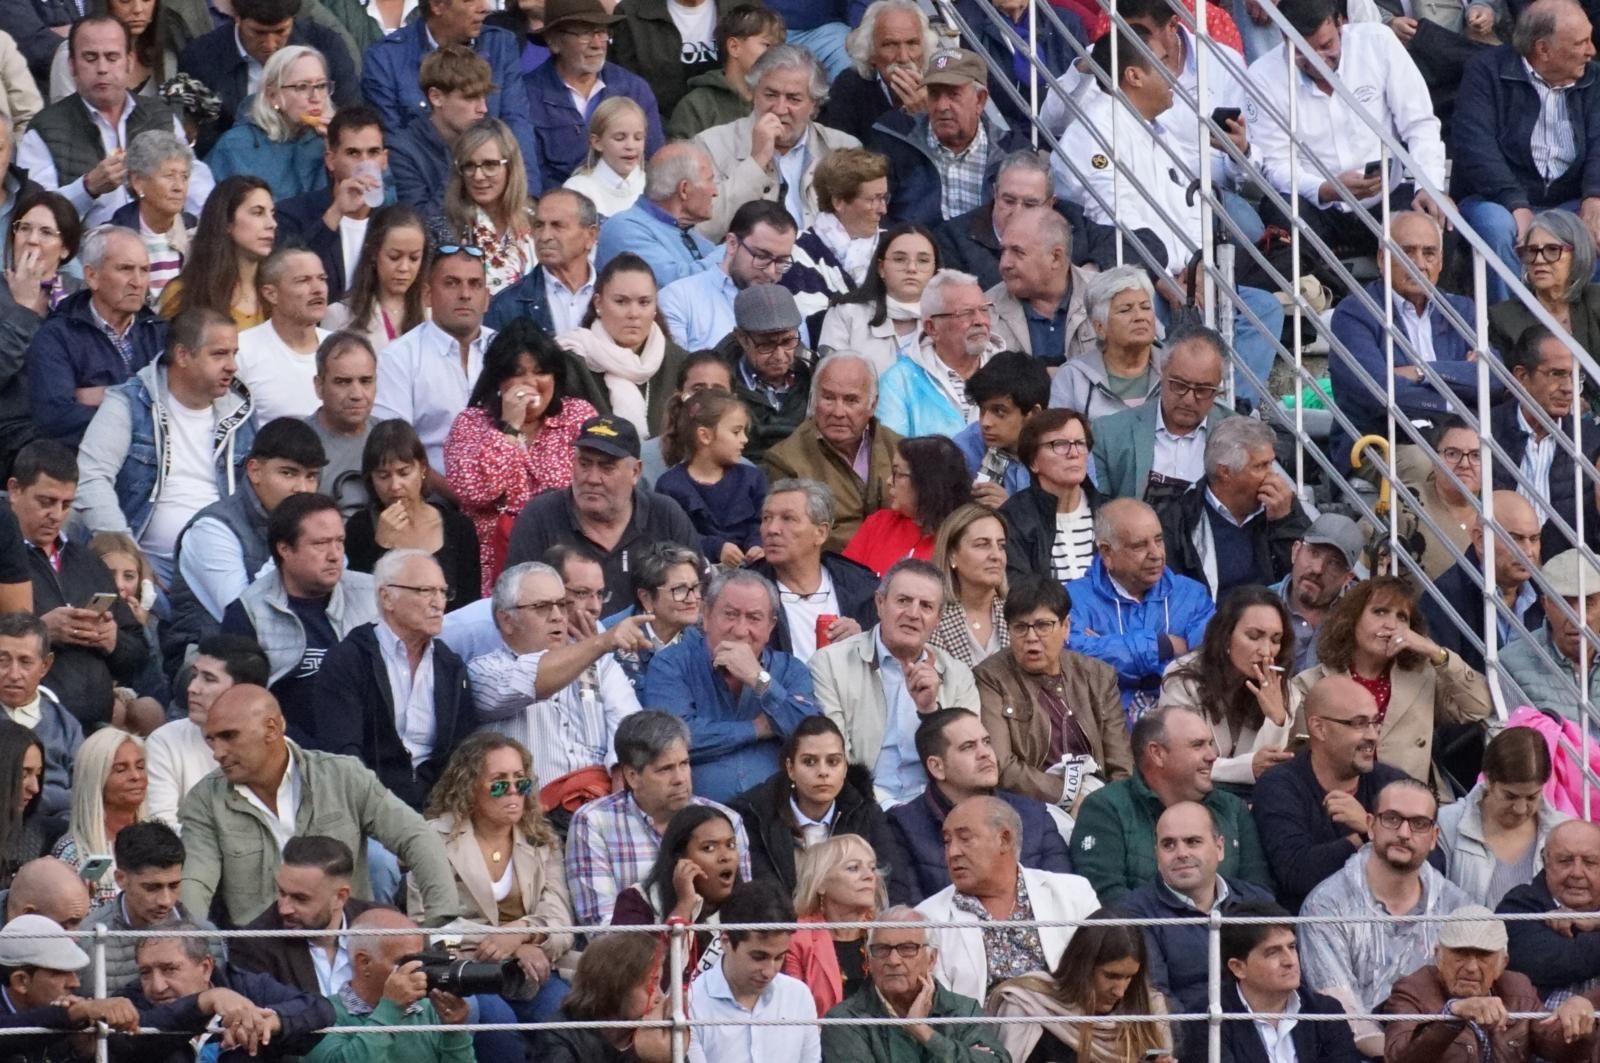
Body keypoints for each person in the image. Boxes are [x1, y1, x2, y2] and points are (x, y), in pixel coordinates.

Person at [180, 683, 457, 926]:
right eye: (211, 739)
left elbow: (416, 836)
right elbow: (195, 882)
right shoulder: (204, 800)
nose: (217, 753)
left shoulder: (343, 776)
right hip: (263, 954)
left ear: (272, 728)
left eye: (229, 736)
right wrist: (191, 944)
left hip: (350, 942)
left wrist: (440, 922)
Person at [1246, 0, 1450, 260]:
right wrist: (1324, 189)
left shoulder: (1378, 42)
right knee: (1281, 213)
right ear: (1284, 37)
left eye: (1326, 45)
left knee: (1436, 219)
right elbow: (1274, 164)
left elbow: (1419, 123)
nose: (1317, 61)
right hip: (1316, 204)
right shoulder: (1263, 76)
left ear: (1342, 24)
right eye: (1302, 52)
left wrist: (1428, 185)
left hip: (1386, 197)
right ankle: (1316, 295)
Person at [73, 308, 252, 590]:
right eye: (219, 354)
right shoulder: (130, 403)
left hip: (218, 561)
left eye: (234, 353)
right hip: (145, 561)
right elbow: (91, 477)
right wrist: (129, 554)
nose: (232, 366)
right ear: (182, 355)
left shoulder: (241, 411)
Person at [1299, 778, 1471, 1056]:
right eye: (1392, 819)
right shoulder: (1325, 906)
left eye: (1419, 824)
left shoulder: (1457, 906)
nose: (1404, 832)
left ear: (1434, 837)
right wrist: (1401, 1055)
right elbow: (1343, 1014)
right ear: (1370, 825)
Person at [411, 734, 574, 1021]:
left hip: (530, 970)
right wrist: (505, 943)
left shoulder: (542, 840)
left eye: (521, 782)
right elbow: (428, 924)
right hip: (465, 969)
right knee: (501, 1026)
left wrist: (521, 933)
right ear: (470, 787)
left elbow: (560, 921)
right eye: (500, 783)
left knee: (564, 1015)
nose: (513, 792)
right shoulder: (434, 839)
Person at [1455, 0, 1600, 303]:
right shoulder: (1485, 71)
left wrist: (1594, 196)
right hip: (1496, 200)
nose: (1592, 50)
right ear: (1543, 50)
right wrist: (1514, 202)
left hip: (1568, 202)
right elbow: (1475, 146)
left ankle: (1587, 334)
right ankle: (1512, 332)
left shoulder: (1594, 78)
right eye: (1581, 42)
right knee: (1496, 227)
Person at [157, 415, 325, 672]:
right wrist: (292, 542)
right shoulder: (212, 528)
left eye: (311, 477)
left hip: (296, 654)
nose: (301, 488)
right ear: (255, 470)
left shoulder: (319, 526)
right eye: (289, 473)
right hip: (210, 665)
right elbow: (248, 621)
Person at [307, 550, 472, 810]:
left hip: (437, 811)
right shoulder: (349, 659)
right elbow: (342, 752)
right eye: (425, 591)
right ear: (387, 598)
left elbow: (462, 753)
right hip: (367, 809)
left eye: (443, 592)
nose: (438, 603)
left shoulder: (450, 667)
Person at [1290, 575, 1493, 786]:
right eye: (1380, 612)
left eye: (1402, 617)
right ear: (1353, 618)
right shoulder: (1312, 682)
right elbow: (1300, 753)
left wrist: (1435, 652)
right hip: (1336, 800)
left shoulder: (1423, 678)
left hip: (1408, 806)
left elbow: (1479, 706)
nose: (1392, 625)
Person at [1252, 674, 1428, 912]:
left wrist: (1372, 829)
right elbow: (1297, 873)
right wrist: (1369, 835)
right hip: (1309, 929)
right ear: (1319, 728)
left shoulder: (1394, 784)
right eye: (1358, 723)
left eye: (1375, 722)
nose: (1373, 735)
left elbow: (1434, 862)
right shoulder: (1280, 785)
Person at [445, 323, 595, 596]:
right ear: (498, 381)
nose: (530, 383)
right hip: (494, 573)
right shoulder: (470, 424)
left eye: (540, 372)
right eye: (517, 373)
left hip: (566, 562)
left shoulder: (578, 417)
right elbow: (476, 493)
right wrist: (510, 428)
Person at [811, 558, 978, 806]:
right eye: (903, 601)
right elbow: (833, 754)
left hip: (937, 805)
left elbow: (968, 759)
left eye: (926, 606)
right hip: (862, 803)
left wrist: (931, 711)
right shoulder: (830, 664)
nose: (913, 614)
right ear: (880, 603)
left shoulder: (958, 675)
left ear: (939, 618)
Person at [643, 569, 818, 804]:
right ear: (705, 616)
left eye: (754, 618)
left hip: (776, 817)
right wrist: (757, 728)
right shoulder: (670, 665)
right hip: (695, 819)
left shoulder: (790, 670)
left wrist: (759, 679)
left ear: (770, 626)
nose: (740, 630)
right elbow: (669, 741)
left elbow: (812, 736)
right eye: (730, 615)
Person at [564, 710, 753, 926]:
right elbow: (602, 929)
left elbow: (744, 918)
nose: (680, 779)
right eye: (666, 769)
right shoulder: (594, 822)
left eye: (684, 764)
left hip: (719, 953)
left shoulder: (726, 820)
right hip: (631, 956)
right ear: (632, 776)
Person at [5, 445, 143, 737]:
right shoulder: (6, 562)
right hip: (24, 729)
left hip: (97, 728)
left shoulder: (90, 562)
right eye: (46, 501)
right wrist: (42, 632)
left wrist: (112, 641)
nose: (56, 515)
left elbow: (139, 655)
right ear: (15, 490)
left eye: (66, 505)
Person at [471, 560, 647, 788]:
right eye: (541, 607)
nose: (558, 616)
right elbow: (531, 679)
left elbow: (629, 723)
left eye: (562, 605)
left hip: (598, 806)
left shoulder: (599, 662)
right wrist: (601, 642)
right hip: (528, 812)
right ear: (507, 621)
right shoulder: (482, 671)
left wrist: (619, 770)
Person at [1070, 704, 1272, 903]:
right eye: (1197, 745)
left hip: (1228, 934)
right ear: (1157, 754)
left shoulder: (1233, 808)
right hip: (1143, 935)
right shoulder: (1106, 809)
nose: (1212, 756)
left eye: (1210, 744)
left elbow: (1260, 895)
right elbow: (1104, 900)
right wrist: (1181, 927)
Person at [18, 17, 208, 228]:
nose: (102, 68)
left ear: (129, 62)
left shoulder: (160, 117)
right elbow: (33, 214)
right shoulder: (45, 128)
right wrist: (87, 188)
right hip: (83, 255)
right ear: (72, 65)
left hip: (162, 249)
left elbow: (199, 191)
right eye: (90, 58)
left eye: (112, 57)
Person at [1329, 212, 1482, 468]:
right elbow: (1379, 392)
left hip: (1459, 440)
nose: (1419, 263)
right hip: (1382, 443)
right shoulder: (1354, 312)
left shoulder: (1462, 310)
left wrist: (1421, 372)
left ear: (1441, 262)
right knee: (1426, 464)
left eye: (1429, 253)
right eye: (1407, 252)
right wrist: (1456, 394)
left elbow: (1494, 380)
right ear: (1382, 259)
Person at [218, 493, 377, 735]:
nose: (335, 555)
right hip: (293, 752)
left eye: (339, 541)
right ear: (285, 549)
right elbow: (245, 706)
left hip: (374, 744)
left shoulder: (373, 594)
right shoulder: (249, 613)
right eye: (321, 544)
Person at [914, 795, 1100, 1001]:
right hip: (979, 1030)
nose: (952, 852)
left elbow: (1101, 975)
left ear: (1004, 839)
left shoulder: (1074, 893)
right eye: (947, 842)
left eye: (964, 839)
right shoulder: (927, 918)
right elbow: (940, 1006)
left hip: (1067, 1024)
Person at [504, 415, 698, 609]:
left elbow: (698, 595)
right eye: (584, 464)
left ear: (635, 472)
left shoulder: (665, 516)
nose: (592, 478)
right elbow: (518, 605)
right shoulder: (540, 518)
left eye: (607, 468)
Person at [975, 577, 1132, 807]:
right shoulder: (991, 677)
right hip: (1032, 803)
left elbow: (1121, 764)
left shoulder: (1098, 676)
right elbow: (1002, 764)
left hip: (1100, 797)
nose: (1031, 637)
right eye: (1020, 627)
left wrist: (1112, 810)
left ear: (1066, 627)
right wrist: (1068, 797)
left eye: (1043, 626)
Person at [1119, 801, 1277, 1016]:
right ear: (1157, 855)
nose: (1181, 853)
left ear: (1220, 848)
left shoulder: (1257, 901)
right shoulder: (1135, 915)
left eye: (1193, 842)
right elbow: (1156, 999)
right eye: (1168, 845)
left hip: (1266, 1031)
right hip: (1191, 1041)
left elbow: (1284, 978)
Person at [1382, 905, 1598, 1062]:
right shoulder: (1412, 990)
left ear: (1502, 963)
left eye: (1483, 956)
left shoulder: (1518, 988)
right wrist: (1451, 1016)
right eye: (1460, 954)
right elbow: (1399, 1058)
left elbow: (1557, 1049)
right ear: (1438, 956)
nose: (1472, 967)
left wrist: (1580, 1021)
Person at [359, 0, 538, 187]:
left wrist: (527, 196)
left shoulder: (501, 44)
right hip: (426, 192)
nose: (485, 7)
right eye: (470, 1)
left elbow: (517, 124)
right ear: (437, 5)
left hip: (496, 189)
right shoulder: (385, 58)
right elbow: (394, 144)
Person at [693, 45, 860, 245]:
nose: (780, 109)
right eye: (770, 95)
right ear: (753, 94)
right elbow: (702, 231)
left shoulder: (843, 149)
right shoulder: (710, 145)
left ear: (814, 106)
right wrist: (756, 162)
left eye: (793, 99)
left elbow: (862, 229)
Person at [1066, 498, 1217, 717]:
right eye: (1139, 545)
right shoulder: (1074, 599)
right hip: (1103, 727)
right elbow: (1075, 663)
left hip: (1180, 723)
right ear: (1107, 553)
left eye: (1159, 540)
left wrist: (1105, 647)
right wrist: (1163, 645)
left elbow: (1209, 660)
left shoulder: (1191, 595)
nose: (1156, 554)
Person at [26, 225, 164, 448]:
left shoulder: (159, 332)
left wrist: (107, 395)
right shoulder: (56, 335)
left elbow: (178, 404)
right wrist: (141, 412)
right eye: (125, 269)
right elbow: (55, 419)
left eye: (145, 270)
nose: (138, 282)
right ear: (92, 276)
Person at [727, 715, 891, 898]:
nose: (823, 772)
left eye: (833, 762)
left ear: (845, 768)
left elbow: (891, 883)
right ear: (790, 768)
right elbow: (762, 895)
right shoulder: (756, 815)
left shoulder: (866, 812)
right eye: (809, 762)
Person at [1155, 417, 1313, 600]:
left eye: (1271, 463)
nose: (1272, 475)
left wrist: (1285, 523)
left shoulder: (1283, 508)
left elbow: (1306, 580)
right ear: (1225, 472)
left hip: (1275, 621)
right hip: (1211, 624)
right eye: (1261, 466)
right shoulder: (1181, 521)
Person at [869, 48, 1029, 229]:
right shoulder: (893, 140)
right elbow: (873, 214)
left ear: (980, 100)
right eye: (934, 94)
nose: (942, 106)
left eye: (953, 94)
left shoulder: (1013, 154)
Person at [1157, 586, 1298, 788]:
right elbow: (1182, 760)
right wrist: (1245, 768)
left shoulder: (1285, 690)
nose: (1267, 651)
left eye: (1275, 640)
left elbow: (1269, 767)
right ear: (1226, 635)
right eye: (1254, 636)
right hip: (1190, 792)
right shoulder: (1182, 678)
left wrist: (1276, 719)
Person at [988, 912, 1175, 1063]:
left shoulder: (1149, 1009)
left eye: (1129, 978)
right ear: (1082, 966)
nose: (1120, 991)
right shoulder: (1029, 1004)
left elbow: (1155, 1052)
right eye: (1111, 976)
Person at [373, 244, 496, 472]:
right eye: (451, 283)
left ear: (487, 298)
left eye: (475, 284)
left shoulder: (505, 351)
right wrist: (457, 497)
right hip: (431, 498)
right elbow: (394, 450)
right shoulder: (399, 358)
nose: (465, 294)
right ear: (428, 295)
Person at [763, 352, 901, 551]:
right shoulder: (785, 460)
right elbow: (794, 536)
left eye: (851, 400)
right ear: (813, 399)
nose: (838, 412)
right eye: (828, 398)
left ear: (873, 404)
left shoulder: (899, 449)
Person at [522, 0, 664, 191]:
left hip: (629, 207)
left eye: (602, 32)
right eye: (584, 34)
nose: (597, 44)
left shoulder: (634, 89)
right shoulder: (527, 95)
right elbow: (531, 174)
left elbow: (654, 162)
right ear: (554, 42)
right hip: (560, 210)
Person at [302, 908, 474, 1062]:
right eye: (405, 961)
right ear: (364, 963)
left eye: (421, 960)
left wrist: (454, 1031)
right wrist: (390, 1010)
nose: (418, 969)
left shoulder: (428, 1009)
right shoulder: (320, 1014)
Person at [1089, 327, 1234, 506]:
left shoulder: (1241, 436)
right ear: (1162, 372)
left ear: (1219, 387)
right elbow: (1098, 511)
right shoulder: (1109, 434)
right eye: (1179, 385)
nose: (1189, 399)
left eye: (1203, 390)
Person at [175, 0, 358, 141]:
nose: (270, 45)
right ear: (236, 18)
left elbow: (352, 116)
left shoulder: (326, 46)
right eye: (258, 33)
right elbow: (202, 140)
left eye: (281, 32)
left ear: (293, 21)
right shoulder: (201, 57)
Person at [345, 421, 481, 607]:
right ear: (371, 479)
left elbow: (470, 601)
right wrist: (381, 546)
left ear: (422, 470)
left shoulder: (458, 526)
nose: (395, 486)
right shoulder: (360, 528)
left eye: (404, 473)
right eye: (383, 476)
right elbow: (359, 601)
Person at [1491, 331, 1600, 559]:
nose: (1569, 388)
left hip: (1570, 571)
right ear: (1521, 376)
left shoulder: (1591, 441)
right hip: (1499, 564)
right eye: (1557, 374)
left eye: (1575, 377)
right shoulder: (1484, 432)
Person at [610, 803, 744, 987]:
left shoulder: (750, 905)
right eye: (709, 848)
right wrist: (684, 906)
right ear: (679, 858)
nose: (726, 856)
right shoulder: (636, 902)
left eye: (731, 845)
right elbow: (635, 982)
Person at [77, 820, 218, 992]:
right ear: (121, 879)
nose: (165, 900)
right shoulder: (87, 939)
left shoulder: (207, 935)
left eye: (174, 886)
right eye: (151, 888)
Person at [559, 252, 690, 437]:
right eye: (621, 301)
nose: (633, 313)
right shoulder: (571, 361)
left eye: (644, 302)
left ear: (655, 307)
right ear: (598, 303)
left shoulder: (680, 364)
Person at [144, 634, 267, 828]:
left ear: (245, 691)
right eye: (195, 676)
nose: (192, 688)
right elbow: (161, 825)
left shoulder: (277, 749)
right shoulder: (165, 741)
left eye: (208, 679)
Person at [1438, 725, 1568, 908]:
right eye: (1510, 796)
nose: (1521, 809)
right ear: (1488, 780)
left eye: (1532, 797)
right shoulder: (1446, 823)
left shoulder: (1564, 831)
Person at [229, 835, 378, 995]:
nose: (284, 909)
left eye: (300, 898)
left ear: (340, 897)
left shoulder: (384, 926)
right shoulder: (254, 945)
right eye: (282, 892)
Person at [1217, 903, 1363, 1063]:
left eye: (1292, 947)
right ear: (1238, 967)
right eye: (1273, 952)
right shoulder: (1211, 1019)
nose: (1290, 961)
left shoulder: (1325, 1011)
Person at [1418, 490, 1544, 673]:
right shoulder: (1443, 599)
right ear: (1480, 539)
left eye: (1534, 539)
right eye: (1515, 538)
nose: (1528, 551)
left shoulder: (1547, 596)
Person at [0, 187, 79, 476]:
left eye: (46, 232)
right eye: (24, 229)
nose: (32, 239)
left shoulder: (78, 298)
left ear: (66, 248)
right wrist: (22, 310)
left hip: (71, 422)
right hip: (11, 433)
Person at [274, 105, 388, 302]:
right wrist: (335, 213)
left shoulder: (391, 222)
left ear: (384, 160)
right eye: (353, 153)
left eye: (373, 152)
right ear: (331, 160)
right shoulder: (292, 214)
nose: (365, 163)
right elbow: (289, 275)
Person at [658, 199, 798, 355]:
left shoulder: (789, 305)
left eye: (781, 261)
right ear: (732, 244)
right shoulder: (678, 299)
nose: (771, 271)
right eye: (761, 256)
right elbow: (673, 372)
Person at [877, 269, 997, 439]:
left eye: (984, 310)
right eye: (965, 313)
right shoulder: (899, 381)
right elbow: (891, 454)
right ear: (932, 328)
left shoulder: (1009, 371)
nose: (980, 321)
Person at [781, 147, 889, 335]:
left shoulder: (897, 247)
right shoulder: (798, 250)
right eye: (874, 199)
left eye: (884, 198)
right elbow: (818, 328)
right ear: (838, 202)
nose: (883, 209)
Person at [656, 388, 767, 566]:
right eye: (736, 432)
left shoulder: (753, 479)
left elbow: (762, 520)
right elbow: (671, 536)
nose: (745, 439)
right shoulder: (670, 485)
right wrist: (715, 548)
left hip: (752, 575)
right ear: (705, 436)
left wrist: (757, 544)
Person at [205, 46, 332, 201]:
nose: (316, 97)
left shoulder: (330, 140)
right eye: (302, 87)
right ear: (272, 95)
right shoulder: (237, 146)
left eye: (321, 86)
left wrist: (336, 149)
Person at [528, 931, 678, 1062]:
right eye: (651, 986)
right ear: (617, 986)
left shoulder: (655, 1035)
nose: (660, 997)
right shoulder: (560, 1037)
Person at [0, 915, 141, 1051]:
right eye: (59, 973)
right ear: (21, 981)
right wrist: (75, 1013)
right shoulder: (59, 1015)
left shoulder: (58, 1014)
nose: (75, 983)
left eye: (74, 972)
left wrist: (84, 1051)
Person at [593, 141, 720, 288]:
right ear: (684, 189)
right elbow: (678, 287)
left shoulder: (691, 234)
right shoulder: (624, 229)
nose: (715, 192)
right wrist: (733, 250)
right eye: (710, 181)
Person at [999, 408, 1105, 585]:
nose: (1073, 453)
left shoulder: (1109, 512)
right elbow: (1020, 590)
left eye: (1080, 443)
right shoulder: (1014, 518)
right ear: (1033, 462)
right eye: (1059, 444)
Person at [386, 45, 492, 219]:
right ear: (436, 97)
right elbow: (420, 225)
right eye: (471, 97)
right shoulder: (401, 151)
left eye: (484, 97)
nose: (483, 108)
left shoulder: (488, 141)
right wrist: (461, 165)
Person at [843, 436, 972, 577]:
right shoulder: (878, 524)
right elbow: (845, 581)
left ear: (926, 482)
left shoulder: (963, 535)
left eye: (897, 474)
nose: (889, 481)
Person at [1499, 819, 1600, 999]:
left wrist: (1597, 922)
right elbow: (1551, 962)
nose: (1577, 873)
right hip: (1538, 1025)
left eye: (1590, 862)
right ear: (1545, 861)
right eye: (1565, 861)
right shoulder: (1519, 903)